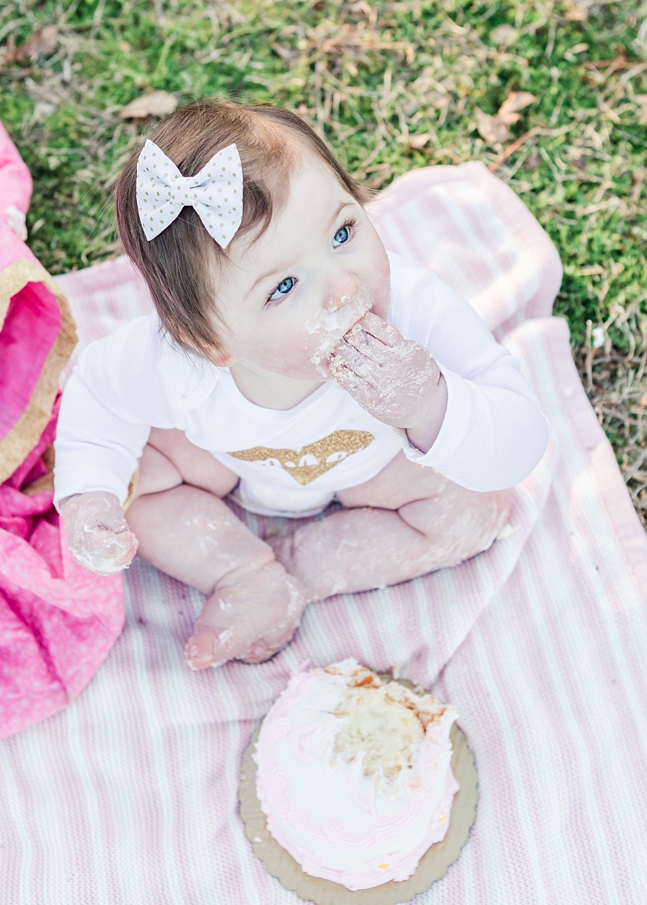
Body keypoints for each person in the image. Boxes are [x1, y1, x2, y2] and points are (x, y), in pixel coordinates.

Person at [54, 101, 549, 671]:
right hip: (227, 463)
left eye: (342, 231)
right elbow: (96, 395)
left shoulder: (416, 311)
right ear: (209, 340)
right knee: (139, 485)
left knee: (478, 508)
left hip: (376, 468)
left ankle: (301, 569)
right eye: (284, 285)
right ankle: (239, 569)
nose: (344, 286)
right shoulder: (174, 364)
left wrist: (432, 405)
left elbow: (519, 438)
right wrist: (91, 494)